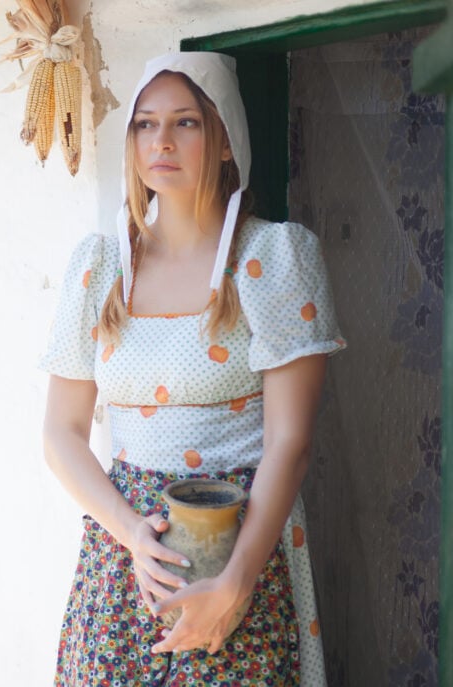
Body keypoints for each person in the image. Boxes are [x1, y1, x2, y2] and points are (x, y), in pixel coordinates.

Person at [39, 52, 346, 686]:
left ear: (225, 138)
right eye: (145, 125)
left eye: (186, 123)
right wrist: (131, 535)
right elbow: (61, 435)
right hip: (125, 562)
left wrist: (234, 583)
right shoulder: (100, 267)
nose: (162, 141)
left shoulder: (274, 258)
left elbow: (291, 444)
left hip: (238, 546)